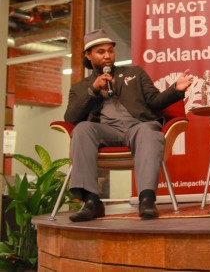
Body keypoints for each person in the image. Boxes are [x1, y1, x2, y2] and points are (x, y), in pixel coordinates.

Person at [64, 29, 194, 222]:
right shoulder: (80, 88)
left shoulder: (134, 73)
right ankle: (91, 202)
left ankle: (146, 200)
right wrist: (94, 90)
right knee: (82, 129)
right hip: (106, 132)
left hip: (138, 127)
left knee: (150, 133)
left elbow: (155, 101)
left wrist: (175, 89)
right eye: (101, 52)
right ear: (88, 55)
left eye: (110, 51)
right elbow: (71, 118)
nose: (107, 56)